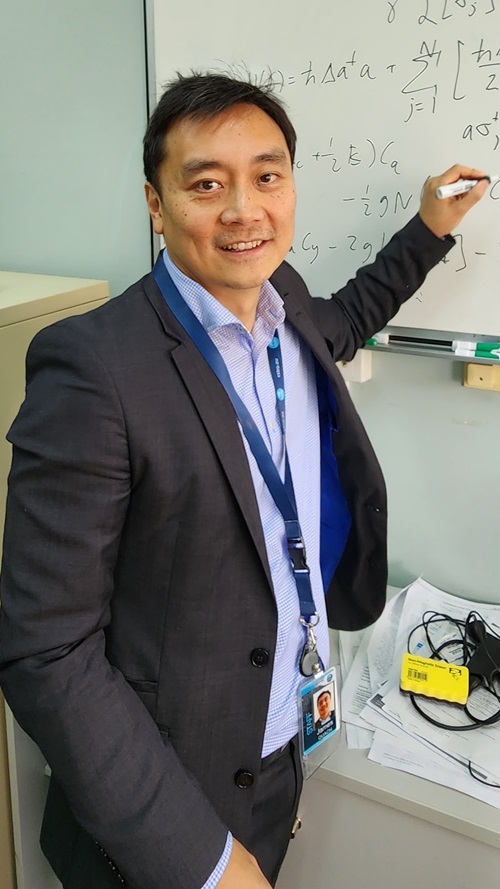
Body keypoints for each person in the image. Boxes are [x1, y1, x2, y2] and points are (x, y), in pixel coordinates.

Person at [0, 72, 488, 889]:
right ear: (156, 202)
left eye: (267, 176)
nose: (243, 209)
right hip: (162, 806)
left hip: (282, 736)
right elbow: (46, 650)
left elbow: (354, 310)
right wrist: (209, 863)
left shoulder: (284, 301)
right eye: (205, 183)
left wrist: (432, 226)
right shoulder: (94, 368)